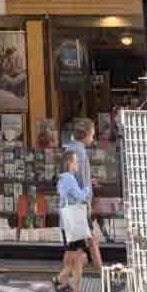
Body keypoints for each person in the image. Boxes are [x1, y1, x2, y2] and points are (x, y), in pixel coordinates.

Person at [61, 117, 102, 281]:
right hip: (79, 206)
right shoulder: (82, 152)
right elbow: (82, 180)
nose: (93, 137)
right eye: (92, 134)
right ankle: (60, 281)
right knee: (84, 248)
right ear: (85, 135)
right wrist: (88, 204)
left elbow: (71, 176)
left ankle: (62, 282)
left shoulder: (69, 148)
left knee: (81, 246)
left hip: (70, 205)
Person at [54, 155, 93, 292]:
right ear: (69, 163)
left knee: (77, 259)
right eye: (76, 161)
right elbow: (80, 196)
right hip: (74, 225)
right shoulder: (69, 178)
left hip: (67, 225)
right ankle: (58, 281)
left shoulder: (62, 179)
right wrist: (87, 188)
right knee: (80, 258)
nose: (77, 163)